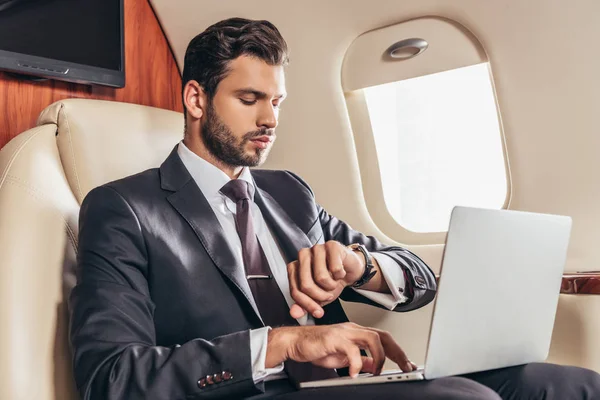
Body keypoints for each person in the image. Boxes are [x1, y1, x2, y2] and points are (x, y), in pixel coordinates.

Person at [68, 17, 600, 400]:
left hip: (345, 385)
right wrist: (285, 343)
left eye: (276, 103)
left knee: (564, 384)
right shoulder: (123, 209)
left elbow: (419, 278)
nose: (270, 119)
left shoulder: (288, 192)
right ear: (196, 99)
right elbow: (110, 377)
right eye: (250, 99)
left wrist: (359, 265)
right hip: (252, 392)